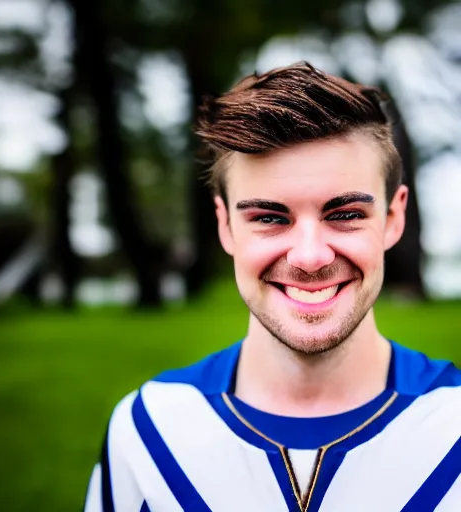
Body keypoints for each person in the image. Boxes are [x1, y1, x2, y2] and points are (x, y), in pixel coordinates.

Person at [83, 62, 461, 512]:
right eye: (268, 218)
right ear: (225, 225)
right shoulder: (146, 432)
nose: (309, 257)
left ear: (393, 218)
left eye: (345, 214)